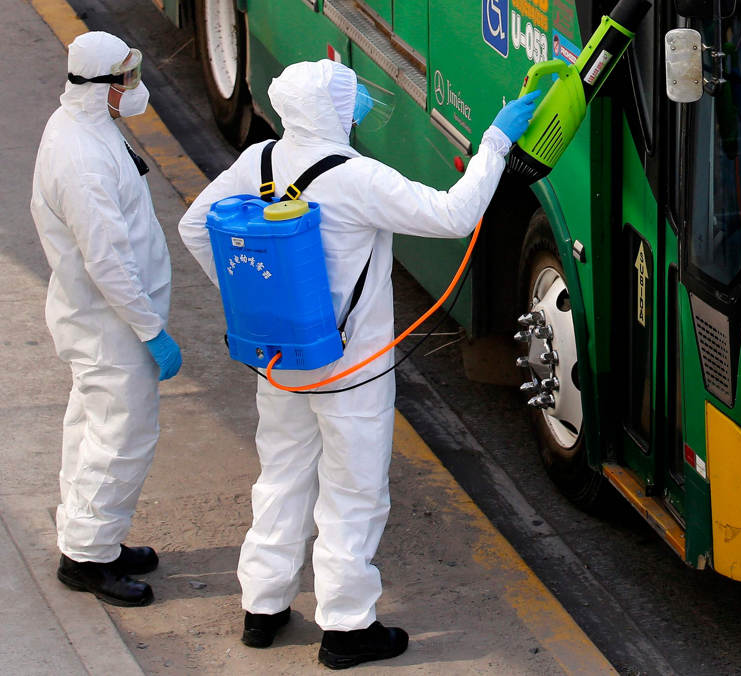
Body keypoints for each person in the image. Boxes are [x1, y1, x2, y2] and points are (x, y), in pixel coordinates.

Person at [178, 59, 539, 669]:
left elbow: (194, 227)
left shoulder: (259, 160)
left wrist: (254, 306)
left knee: (283, 476)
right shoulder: (357, 177)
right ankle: (346, 629)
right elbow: (454, 215)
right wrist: (497, 143)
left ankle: (262, 609)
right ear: (336, 112)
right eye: (352, 102)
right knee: (353, 492)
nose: (359, 110)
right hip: (353, 370)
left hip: (281, 362)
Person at [30, 30, 181, 608]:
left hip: (99, 321)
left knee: (91, 430)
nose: (134, 88)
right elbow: (108, 263)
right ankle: (88, 560)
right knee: (121, 438)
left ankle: (93, 539)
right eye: (126, 79)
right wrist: (150, 331)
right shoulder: (83, 159)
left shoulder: (83, 126)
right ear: (101, 87)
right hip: (111, 326)